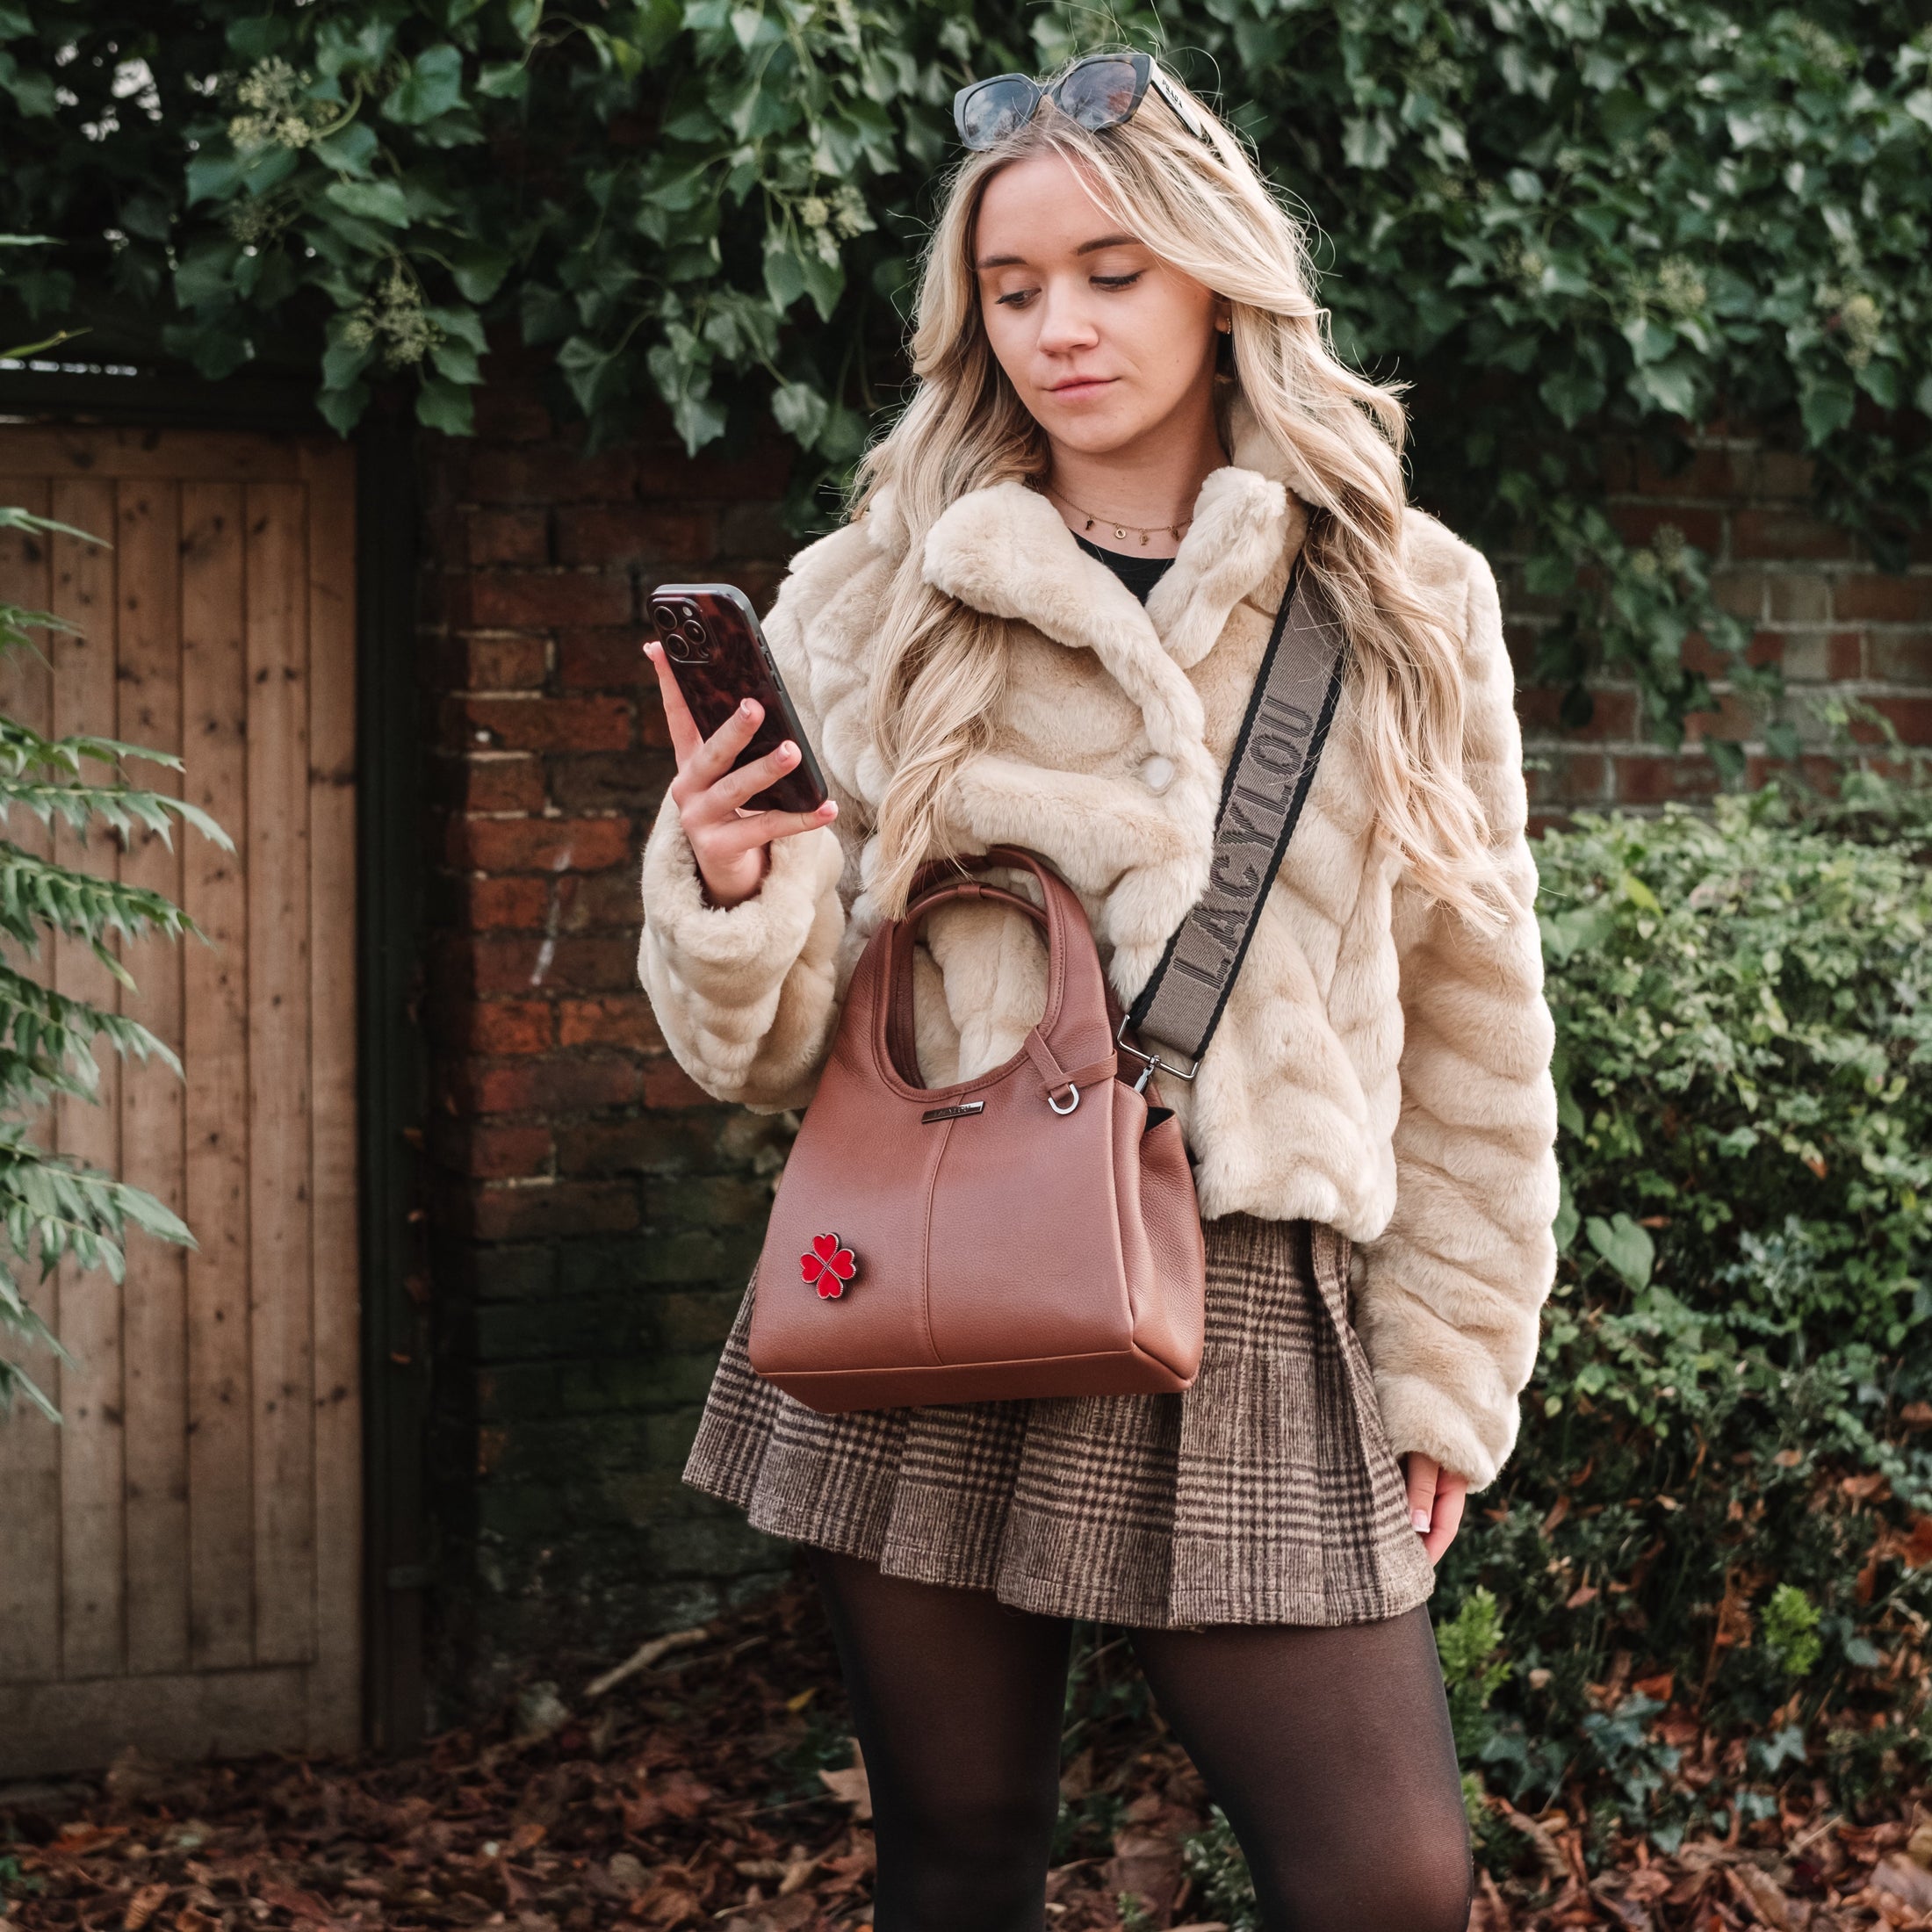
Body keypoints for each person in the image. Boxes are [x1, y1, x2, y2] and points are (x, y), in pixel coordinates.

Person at [638, 48, 1558, 1932]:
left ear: (1217, 272)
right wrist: (730, 883)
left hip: (1247, 1298)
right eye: (1012, 285)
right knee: (958, 1849)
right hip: (935, 1268)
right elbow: (773, 1043)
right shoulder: (868, 593)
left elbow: (1472, 1006)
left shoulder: (1397, 592)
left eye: (1111, 270)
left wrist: (1448, 1367)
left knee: (1386, 1874)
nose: (1059, 323)